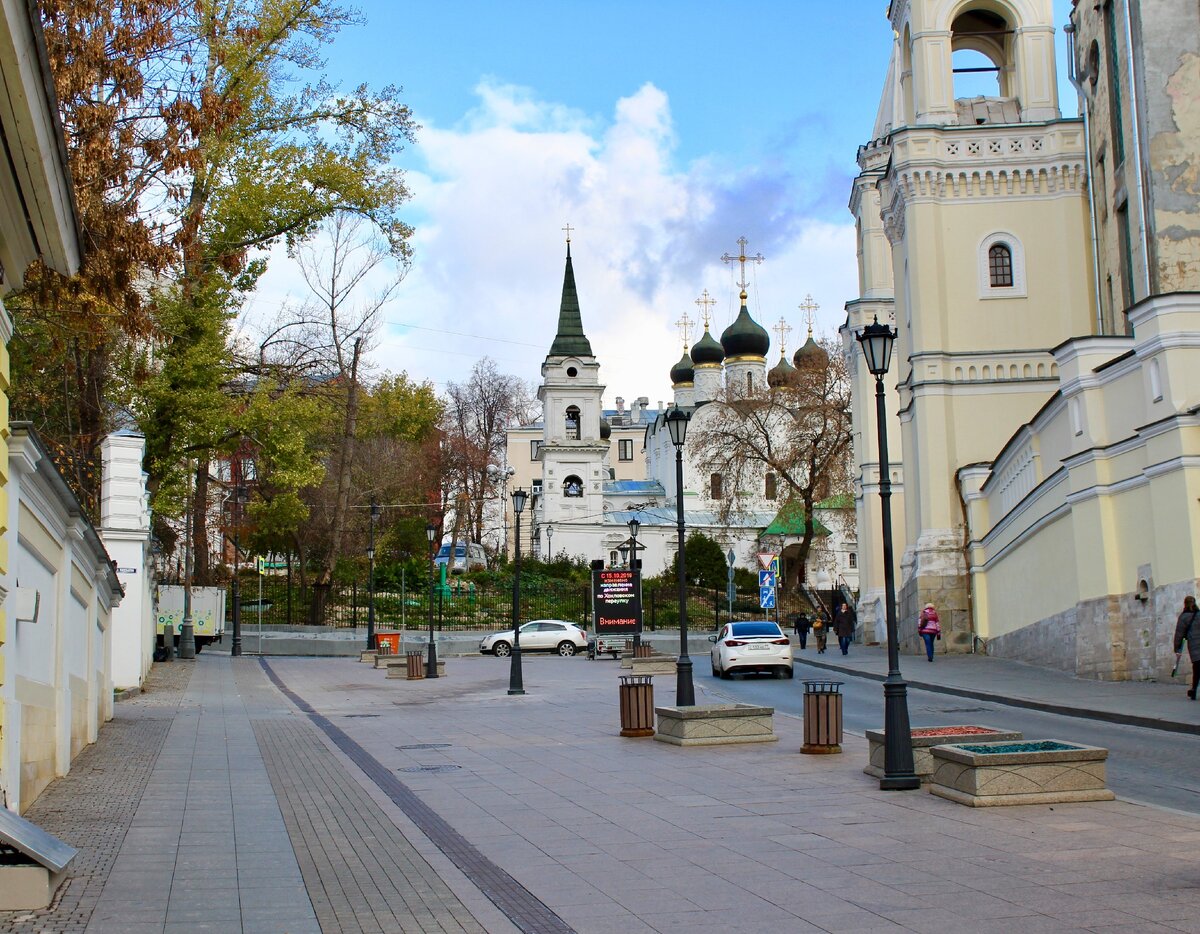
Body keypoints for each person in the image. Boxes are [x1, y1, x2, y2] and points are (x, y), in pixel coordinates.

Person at [1173, 595, 1200, 700]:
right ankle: (1193, 690)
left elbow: (1179, 634)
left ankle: (1193, 689)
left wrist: (1177, 648)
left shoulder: (1183, 617)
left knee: (1197, 667)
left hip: (1194, 646)